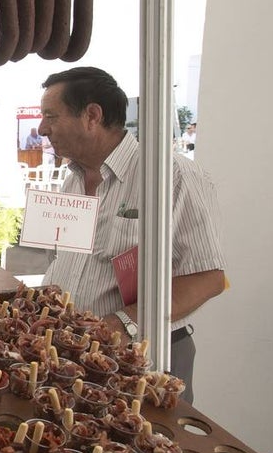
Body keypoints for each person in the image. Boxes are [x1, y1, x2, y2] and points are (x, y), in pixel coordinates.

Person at [38, 67, 225, 402]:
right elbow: (69, 261)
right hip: (77, 357)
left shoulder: (171, 176)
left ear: (92, 115)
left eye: (51, 116)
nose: (42, 128)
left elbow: (207, 276)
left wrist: (120, 324)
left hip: (146, 360)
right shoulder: (73, 180)